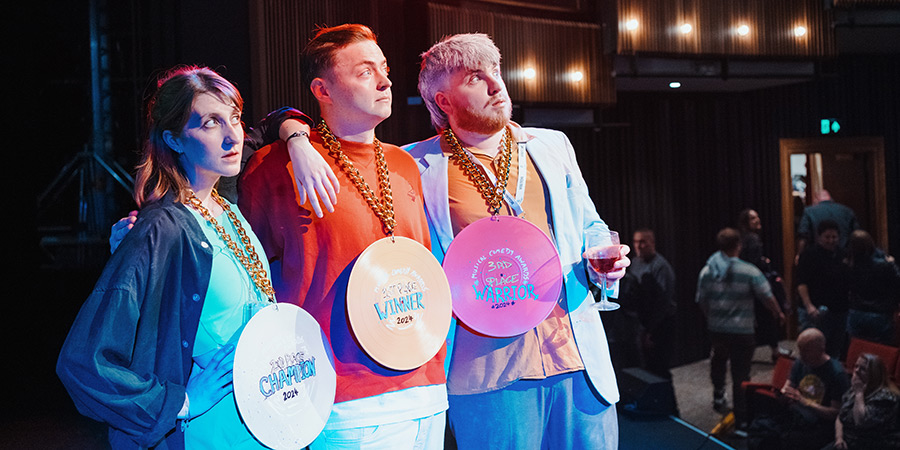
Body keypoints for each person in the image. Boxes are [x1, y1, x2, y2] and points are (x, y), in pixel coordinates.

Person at [400, 32, 629, 449]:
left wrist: (602, 259)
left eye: (496, 71)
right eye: (474, 77)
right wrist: (292, 131)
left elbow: (591, 225)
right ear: (444, 101)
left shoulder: (552, 145)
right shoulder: (412, 165)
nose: (495, 84)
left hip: (576, 359)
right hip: (488, 369)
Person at [238, 25, 448, 449]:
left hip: (426, 388)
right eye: (365, 71)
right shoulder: (275, 166)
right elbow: (247, 278)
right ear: (323, 89)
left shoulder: (404, 165)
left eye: (384, 68)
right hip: (343, 401)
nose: (386, 81)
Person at [57, 66, 276, 449]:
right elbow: (83, 362)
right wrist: (180, 402)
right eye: (210, 123)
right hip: (211, 431)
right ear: (174, 139)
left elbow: (274, 125)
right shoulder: (161, 227)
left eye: (235, 118)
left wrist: (298, 133)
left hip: (262, 423)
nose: (232, 136)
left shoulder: (229, 211)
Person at [696, 228, 784, 429]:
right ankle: (742, 420)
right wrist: (778, 313)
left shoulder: (707, 271)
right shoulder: (749, 270)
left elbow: (701, 300)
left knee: (718, 362)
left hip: (717, 329)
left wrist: (711, 317)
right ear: (738, 246)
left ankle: (718, 395)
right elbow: (767, 296)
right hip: (743, 331)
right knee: (741, 374)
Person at [747, 328, 850, 450]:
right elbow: (788, 386)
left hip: (818, 425)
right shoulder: (801, 362)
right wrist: (785, 395)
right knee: (761, 430)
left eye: (806, 351)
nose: (801, 355)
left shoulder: (836, 374)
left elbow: (835, 413)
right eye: (800, 349)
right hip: (795, 416)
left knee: (785, 440)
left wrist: (804, 402)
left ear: (821, 350)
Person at [737, 208, 789, 362]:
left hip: (747, 285)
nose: (757, 220)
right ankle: (775, 350)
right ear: (746, 223)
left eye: (757, 216)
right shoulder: (752, 239)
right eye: (753, 218)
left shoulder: (744, 239)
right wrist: (763, 263)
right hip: (755, 284)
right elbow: (753, 263)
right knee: (768, 316)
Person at [796, 220, 850, 358]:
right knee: (813, 350)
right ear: (819, 237)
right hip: (816, 310)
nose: (831, 240)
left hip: (839, 310)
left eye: (834, 237)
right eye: (827, 237)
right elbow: (802, 283)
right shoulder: (809, 254)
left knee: (835, 349)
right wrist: (809, 306)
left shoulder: (843, 254)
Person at [629, 228, 677, 379]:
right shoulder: (635, 263)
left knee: (660, 368)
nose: (639, 246)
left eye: (643, 242)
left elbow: (663, 302)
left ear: (652, 243)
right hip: (642, 323)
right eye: (636, 242)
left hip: (660, 324)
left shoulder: (661, 266)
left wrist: (651, 331)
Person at [825, 353, 900, 450]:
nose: (856, 370)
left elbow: (861, 421)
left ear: (874, 374)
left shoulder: (886, 398)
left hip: (872, 444)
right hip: (848, 440)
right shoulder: (854, 390)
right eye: (856, 366)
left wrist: (859, 394)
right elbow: (841, 416)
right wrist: (839, 438)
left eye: (863, 369)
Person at [844, 230, 900, 345]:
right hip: (880, 313)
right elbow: (897, 281)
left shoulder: (848, 266)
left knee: (857, 348)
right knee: (881, 350)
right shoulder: (884, 265)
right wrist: (892, 264)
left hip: (857, 311)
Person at [797, 189, 860, 256]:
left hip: (818, 256)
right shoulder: (847, 211)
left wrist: (800, 254)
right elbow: (857, 234)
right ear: (830, 198)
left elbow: (803, 235)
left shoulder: (809, 211)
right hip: (843, 255)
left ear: (816, 199)